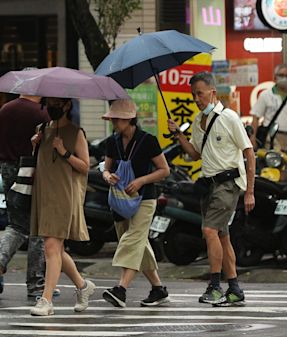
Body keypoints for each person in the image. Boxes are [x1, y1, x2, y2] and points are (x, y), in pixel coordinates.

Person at [167, 71, 255, 306]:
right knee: (222, 236)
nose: (196, 99)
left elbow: (249, 152)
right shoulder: (197, 121)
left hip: (228, 184)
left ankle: (215, 286)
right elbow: (195, 153)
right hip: (209, 185)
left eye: (200, 94)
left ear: (213, 93)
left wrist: (250, 191)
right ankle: (234, 287)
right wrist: (178, 134)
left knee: (209, 231)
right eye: (193, 94)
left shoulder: (229, 118)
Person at [101, 99, 170, 308]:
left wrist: (141, 180)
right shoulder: (112, 141)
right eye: (113, 119)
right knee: (138, 243)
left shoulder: (148, 140)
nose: (114, 123)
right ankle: (158, 289)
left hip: (145, 198)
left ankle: (121, 289)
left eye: (118, 119)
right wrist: (107, 176)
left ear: (130, 119)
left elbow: (164, 170)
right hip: (120, 200)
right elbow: (106, 168)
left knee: (132, 239)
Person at [29, 97, 95, 316]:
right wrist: (35, 145)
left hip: (64, 195)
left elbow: (85, 167)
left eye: (58, 103)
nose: (52, 107)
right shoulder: (41, 129)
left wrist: (64, 151)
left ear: (67, 105)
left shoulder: (76, 133)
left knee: (50, 246)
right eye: (50, 102)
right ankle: (83, 286)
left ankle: (46, 300)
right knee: (55, 247)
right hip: (43, 193)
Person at [0, 93, 57, 298]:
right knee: (37, 227)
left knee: (16, 223)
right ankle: (36, 284)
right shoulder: (40, 113)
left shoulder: (5, 109)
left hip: (7, 169)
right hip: (32, 170)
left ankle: (0, 259)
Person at [250, 64, 287, 156]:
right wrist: (252, 139)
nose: (285, 78)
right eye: (281, 75)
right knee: (272, 166)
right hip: (272, 138)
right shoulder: (266, 95)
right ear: (275, 77)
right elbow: (255, 117)